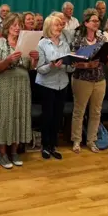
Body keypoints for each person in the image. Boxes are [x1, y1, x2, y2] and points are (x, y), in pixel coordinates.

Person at [0, 13, 39, 169]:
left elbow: (30, 67)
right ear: (7, 26)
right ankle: (3, 154)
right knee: (5, 117)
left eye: (20, 25)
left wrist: (35, 59)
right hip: (6, 84)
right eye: (14, 25)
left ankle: (14, 151)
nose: (17, 28)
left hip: (22, 84)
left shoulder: (25, 42)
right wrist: (8, 60)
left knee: (18, 115)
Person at [70, 9, 108, 153]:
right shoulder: (78, 37)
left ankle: (92, 140)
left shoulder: (102, 39)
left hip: (99, 78)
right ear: (86, 23)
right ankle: (77, 140)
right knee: (79, 110)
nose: (97, 23)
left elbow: (106, 63)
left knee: (96, 111)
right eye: (94, 21)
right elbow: (72, 62)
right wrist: (87, 65)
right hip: (82, 79)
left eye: (98, 21)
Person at [36, 15, 74, 159]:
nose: (60, 27)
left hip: (62, 84)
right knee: (47, 116)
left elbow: (69, 69)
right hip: (47, 85)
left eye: (60, 25)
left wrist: (72, 65)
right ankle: (45, 146)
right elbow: (39, 69)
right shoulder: (42, 44)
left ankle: (53, 145)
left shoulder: (64, 44)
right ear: (48, 27)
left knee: (58, 117)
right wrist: (52, 65)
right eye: (56, 25)